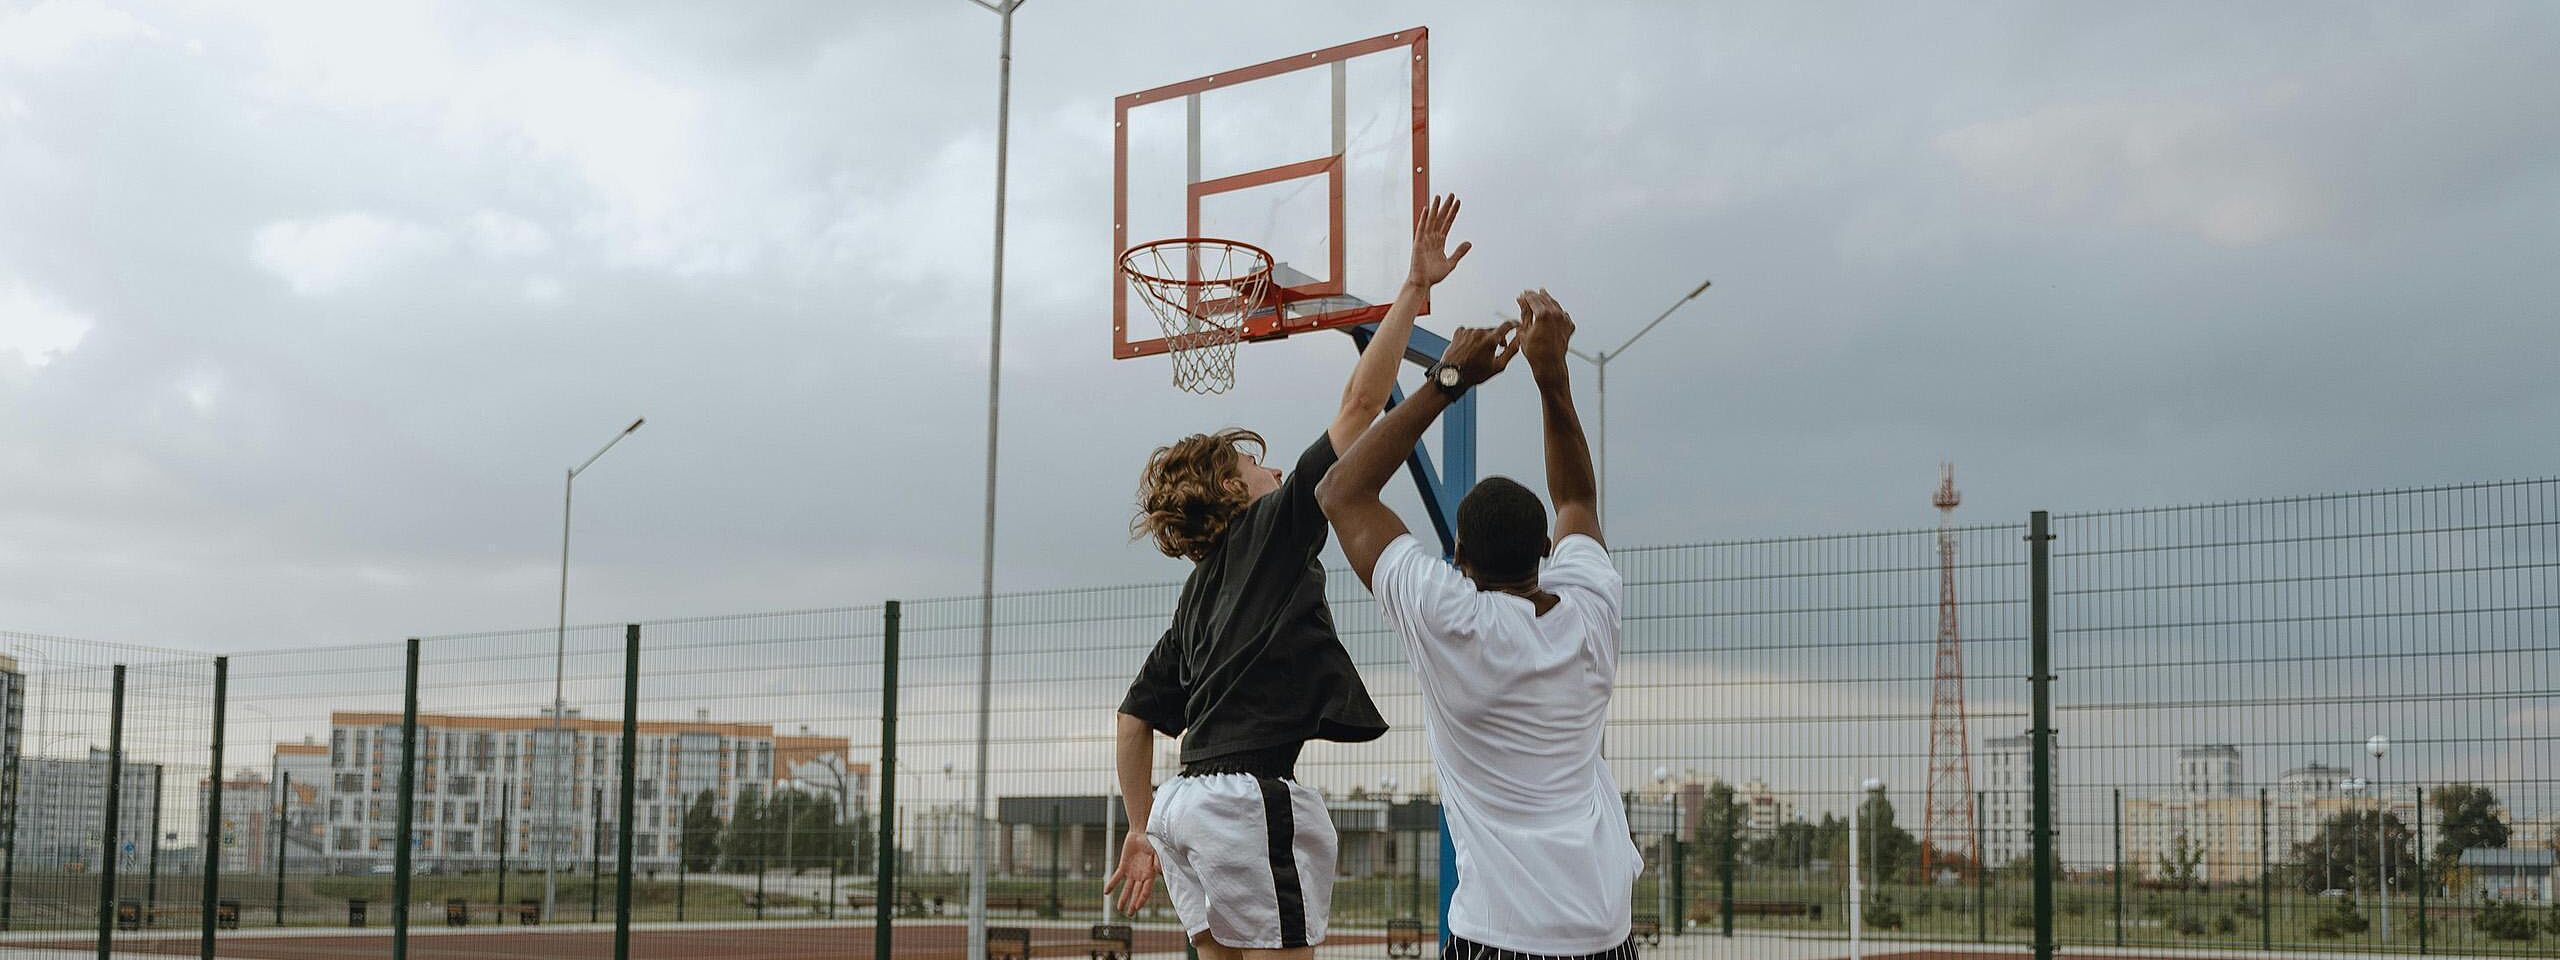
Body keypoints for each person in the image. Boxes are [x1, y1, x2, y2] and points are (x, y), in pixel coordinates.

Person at [1104, 197, 1475, 957]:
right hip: (1244, 797)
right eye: (1256, 463)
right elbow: (1362, 404)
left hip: (1180, 806)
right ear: (1233, 491)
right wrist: (1412, 287)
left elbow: (1133, 720)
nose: (1272, 467)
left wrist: (1140, 829)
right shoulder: (1272, 529)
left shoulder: (1195, 597)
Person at [1315, 290, 1642, 959]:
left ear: (1458, 557)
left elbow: (1339, 492)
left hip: (1498, 933)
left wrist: (1448, 381)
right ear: (1546, 551)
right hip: (1604, 931)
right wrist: (1552, 376)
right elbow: (1576, 497)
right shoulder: (1590, 608)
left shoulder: (1449, 619)